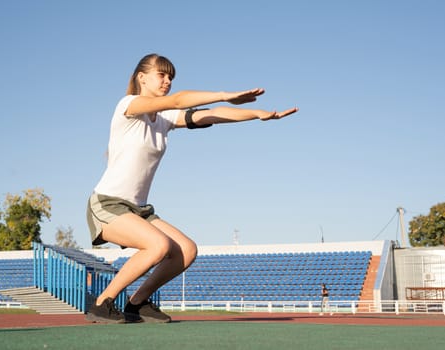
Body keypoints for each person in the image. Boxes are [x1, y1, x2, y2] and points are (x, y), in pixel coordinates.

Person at [85, 53, 298, 323]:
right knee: (158, 246)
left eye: (171, 77)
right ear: (142, 77)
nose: (167, 81)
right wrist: (224, 93)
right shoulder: (128, 105)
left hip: (138, 209)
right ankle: (102, 303)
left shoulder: (164, 119)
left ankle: (137, 303)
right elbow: (178, 99)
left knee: (186, 250)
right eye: (161, 75)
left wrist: (256, 114)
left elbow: (212, 115)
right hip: (107, 203)